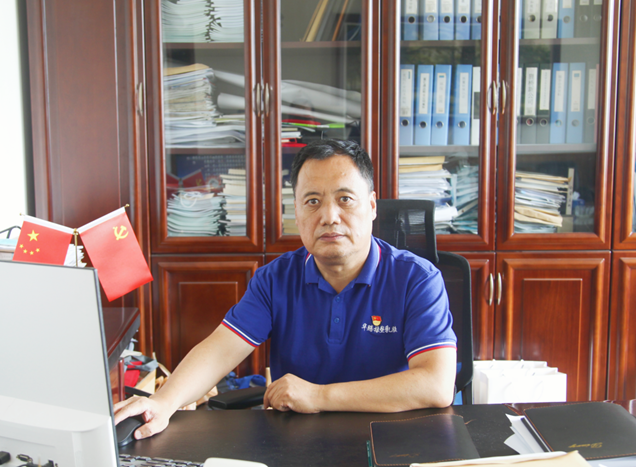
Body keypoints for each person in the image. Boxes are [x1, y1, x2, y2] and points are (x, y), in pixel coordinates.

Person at [114, 139, 457, 440]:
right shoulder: (274, 279)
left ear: (371, 206)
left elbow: (436, 384)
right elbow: (221, 349)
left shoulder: (417, 279)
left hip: (391, 438)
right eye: (312, 201)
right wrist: (163, 402)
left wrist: (319, 396)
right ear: (296, 211)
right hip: (299, 439)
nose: (329, 216)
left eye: (345, 199)